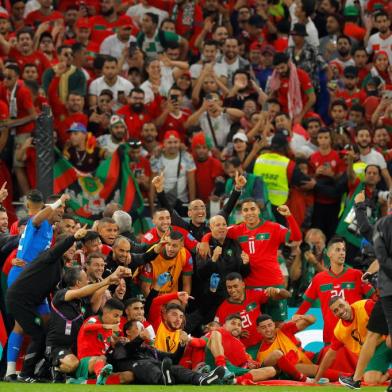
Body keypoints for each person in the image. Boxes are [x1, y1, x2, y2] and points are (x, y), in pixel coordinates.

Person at [5, 226, 89, 382]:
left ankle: (40, 370)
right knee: (37, 333)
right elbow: (59, 249)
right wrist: (74, 237)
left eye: (74, 248)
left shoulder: (61, 268)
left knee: (42, 331)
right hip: (19, 299)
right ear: (59, 246)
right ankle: (25, 374)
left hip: (29, 302)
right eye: (68, 246)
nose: (72, 249)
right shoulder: (49, 257)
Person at [203, 199, 301, 323]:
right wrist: (205, 241)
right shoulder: (236, 230)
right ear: (241, 213)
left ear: (259, 211)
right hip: (250, 287)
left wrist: (289, 216)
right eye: (245, 210)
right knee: (255, 327)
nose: (249, 213)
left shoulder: (273, 227)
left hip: (272, 283)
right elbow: (216, 232)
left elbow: (296, 237)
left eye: (253, 209)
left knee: (278, 326)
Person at [45, 265, 132, 381]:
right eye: (86, 279)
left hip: (76, 351)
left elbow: (95, 296)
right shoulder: (61, 295)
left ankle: (80, 381)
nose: (88, 281)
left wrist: (111, 279)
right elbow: (80, 292)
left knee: (106, 366)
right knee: (72, 363)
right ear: (77, 283)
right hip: (57, 348)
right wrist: (107, 280)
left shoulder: (82, 302)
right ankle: (54, 369)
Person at [296, 236, 375, 344]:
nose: (342, 253)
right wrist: (296, 316)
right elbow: (306, 303)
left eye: (343, 250)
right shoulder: (318, 279)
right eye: (338, 250)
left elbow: (374, 298)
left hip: (357, 336)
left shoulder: (356, 275)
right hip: (331, 337)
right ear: (329, 254)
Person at [107, 319, 225, 385]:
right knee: (146, 365)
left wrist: (182, 344)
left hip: (156, 367)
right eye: (139, 328)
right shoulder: (121, 343)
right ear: (128, 331)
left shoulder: (149, 349)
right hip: (137, 368)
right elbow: (124, 353)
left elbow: (173, 358)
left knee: (176, 368)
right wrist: (139, 339)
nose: (144, 330)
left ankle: (201, 379)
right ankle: (164, 379)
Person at [215, 272, 290, 353]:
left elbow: (287, 295)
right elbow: (219, 334)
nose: (232, 290)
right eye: (229, 287)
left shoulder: (254, 294)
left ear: (243, 285)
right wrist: (235, 334)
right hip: (246, 351)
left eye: (235, 286)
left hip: (265, 342)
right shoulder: (223, 308)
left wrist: (277, 290)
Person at [313, 297, 384, 383]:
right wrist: (316, 379)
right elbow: (329, 356)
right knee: (370, 380)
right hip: (373, 356)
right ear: (334, 314)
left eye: (341, 306)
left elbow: (387, 318)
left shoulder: (366, 306)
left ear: (347, 302)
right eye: (336, 310)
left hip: (386, 342)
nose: (341, 311)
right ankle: (388, 374)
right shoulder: (339, 331)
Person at [73, 298, 134, 385]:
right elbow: (87, 326)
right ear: (105, 311)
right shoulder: (93, 319)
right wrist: (106, 326)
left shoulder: (109, 330)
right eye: (116, 316)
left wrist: (121, 341)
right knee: (102, 358)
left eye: (120, 316)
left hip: (101, 365)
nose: (118, 320)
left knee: (129, 376)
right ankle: (100, 375)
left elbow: (111, 341)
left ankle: (84, 382)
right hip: (85, 364)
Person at [206, 313, 277, 384]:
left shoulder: (240, 345)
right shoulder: (216, 333)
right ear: (224, 325)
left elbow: (247, 361)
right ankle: (222, 368)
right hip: (216, 366)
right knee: (215, 333)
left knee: (271, 370)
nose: (236, 327)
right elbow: (201, 341)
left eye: (239, 325)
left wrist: (252, 364)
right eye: (233, 323)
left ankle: (232, 381)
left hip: (234, 370)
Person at [140, 230, 193, 296]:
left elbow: (187, 284)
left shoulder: (185, 255)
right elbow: (145, 288)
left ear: (182, 245)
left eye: (174, 246)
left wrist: (184, 303)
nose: (170, 249)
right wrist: (154, 305)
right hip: (153, 294)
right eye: (168, 244)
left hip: (172, 296)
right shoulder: (152, 255)